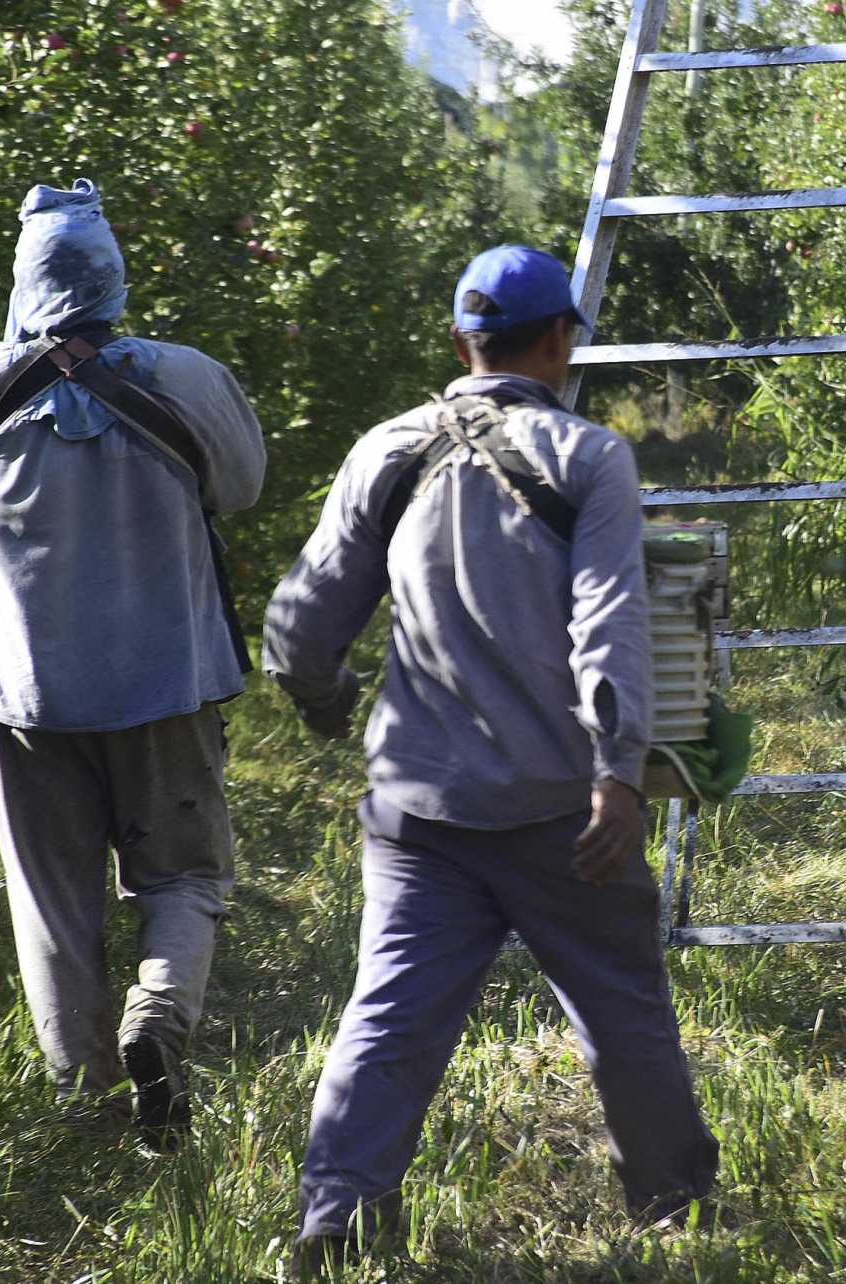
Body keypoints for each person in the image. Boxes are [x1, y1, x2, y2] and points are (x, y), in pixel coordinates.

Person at [263, 244, 718, 1263]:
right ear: (560, 340)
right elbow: (608, 626)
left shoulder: (388, 449)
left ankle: (336, 1214)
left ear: (462, 341)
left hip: (417, 810)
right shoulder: (589, 458)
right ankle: (675, 1202)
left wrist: (327, 700)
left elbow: (299, 627)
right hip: (559, 808)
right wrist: (617, 770)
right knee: (620, 1005)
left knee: (389, 1012)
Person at [0, 179, 266, 1146]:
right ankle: (162, 1017)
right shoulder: (188, 377)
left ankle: (86, 1106)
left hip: (21, 696)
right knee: (183, 876)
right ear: (113, 279)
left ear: (22, 280)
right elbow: (245, 485)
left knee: (52, 902)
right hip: (168, 681)